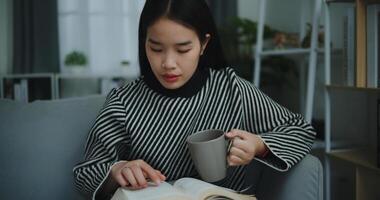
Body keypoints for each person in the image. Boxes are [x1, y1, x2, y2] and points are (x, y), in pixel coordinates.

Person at [73, 0, 316, 199]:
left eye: (182, 49)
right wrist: (117, 170)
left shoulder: (232, 90)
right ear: (143, 43)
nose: (168, 63)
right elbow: (86, 172)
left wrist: (258, 145)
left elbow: (302, 130)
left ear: (204, 44)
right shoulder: (124, 102)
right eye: (155, 48)